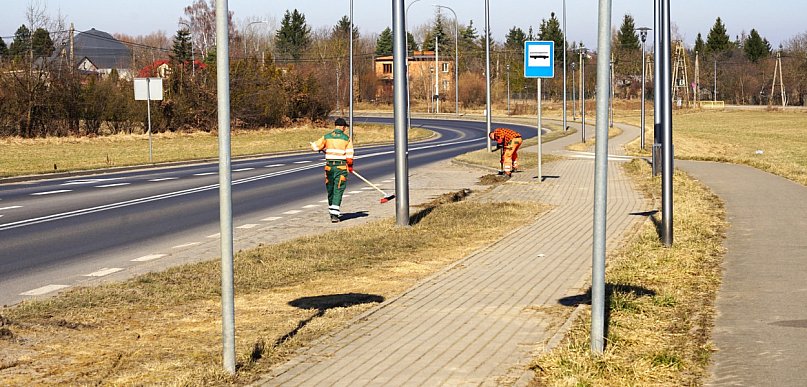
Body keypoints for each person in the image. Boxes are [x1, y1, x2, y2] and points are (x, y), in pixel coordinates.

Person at [311, 118, 355, 223]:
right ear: (342, 127)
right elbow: (349, 155)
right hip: (341, 167)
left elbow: (315, 147)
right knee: (338, 189)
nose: (345, 129)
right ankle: (334, 215)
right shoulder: (346, 139)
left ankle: (332, 211)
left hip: (329, 167)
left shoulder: (327, 137)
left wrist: (320, 148)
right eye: (345, 127)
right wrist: (350, 166)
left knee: (330, 190)